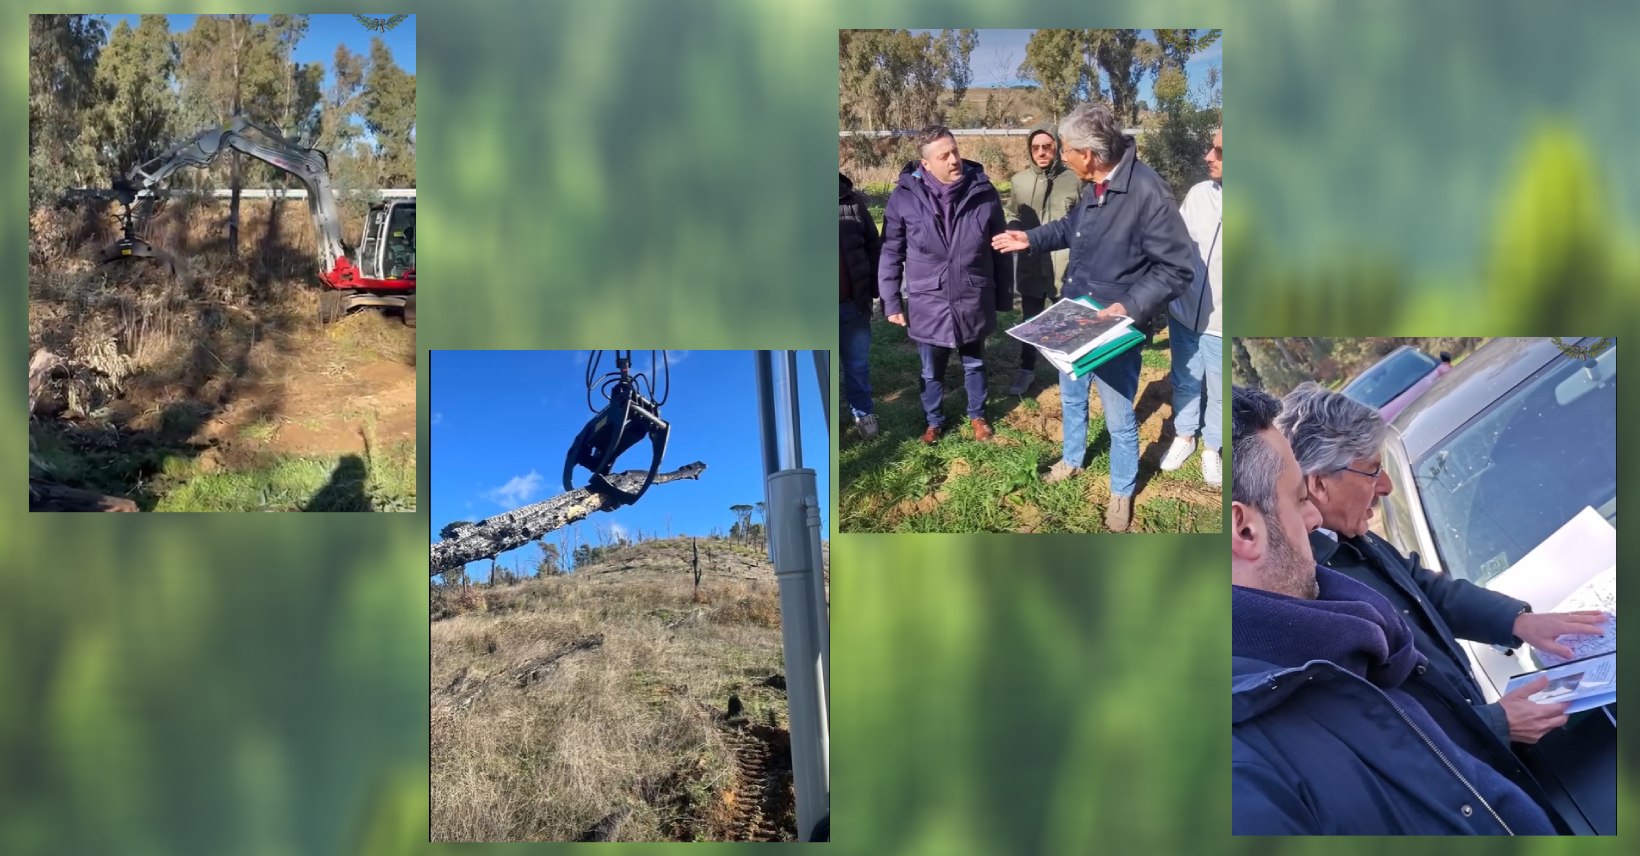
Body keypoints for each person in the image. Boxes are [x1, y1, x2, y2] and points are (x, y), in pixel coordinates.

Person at [1230, 386, 1556, 835]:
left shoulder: (1346, 548)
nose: (1384, 486)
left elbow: (1422, 588)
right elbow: (1384, 741)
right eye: (1372, 470)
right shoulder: (1312, 615)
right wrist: (1493, 725)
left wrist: (1518, 620)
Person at [992, 104, 1193, 531]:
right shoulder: (1094, 184)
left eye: (1066, 150)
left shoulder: (1147, 193)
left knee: (1120, 418)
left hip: (1114, 328)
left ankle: (1122, 491)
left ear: (1089, 153)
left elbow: (1176, 268)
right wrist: (1028, 238)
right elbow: (1070, 228)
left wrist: (1130, 306)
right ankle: (1072, 459)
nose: (1061, 156)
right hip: (1074, 316)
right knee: (1071, 397)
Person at [879, 126, 1013, 444]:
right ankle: (934, 421)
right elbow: (891, 251)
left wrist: (1004, 296)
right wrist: (891, 300)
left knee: (975, 361)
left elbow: (1000, 246)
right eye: (944, 155)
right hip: (929, 299)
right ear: (926, 164)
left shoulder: (983, 190)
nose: (955, 159)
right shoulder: (904, 198)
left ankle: (978, 416)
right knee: (930, 369)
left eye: (955, 150)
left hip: (972, 292)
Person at [1160, 127, 1223, 487]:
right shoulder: (1199, 194)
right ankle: (1184, 436)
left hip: (1221, 323)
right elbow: (1175, 244)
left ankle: (1212, 447)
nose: (1208, 157)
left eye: (1218, 151)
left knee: (1218, 389)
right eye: (1211, 148)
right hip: (1184, 313)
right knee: (1185, 379)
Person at [1004, 127, 1081, 395]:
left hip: (1065, 265)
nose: (1041, 152)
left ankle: (1071, 372)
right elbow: (1011, 211)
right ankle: (1027, 369)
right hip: (1032, 262)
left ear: (1056, 148)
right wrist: (1014, 226)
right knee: (1030, 319)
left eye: (1046, 146)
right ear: (1029, 150)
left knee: (1066, 321)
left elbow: (1084, 217)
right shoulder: (1019, 181)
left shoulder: (1074, 179)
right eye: (1035, 148)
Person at [839, 172, 882, 438]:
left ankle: (862, 412)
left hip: (851, 305)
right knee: (817, 372)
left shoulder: (851, 201)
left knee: (856, 365)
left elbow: (874, 246)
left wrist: (873, 290)